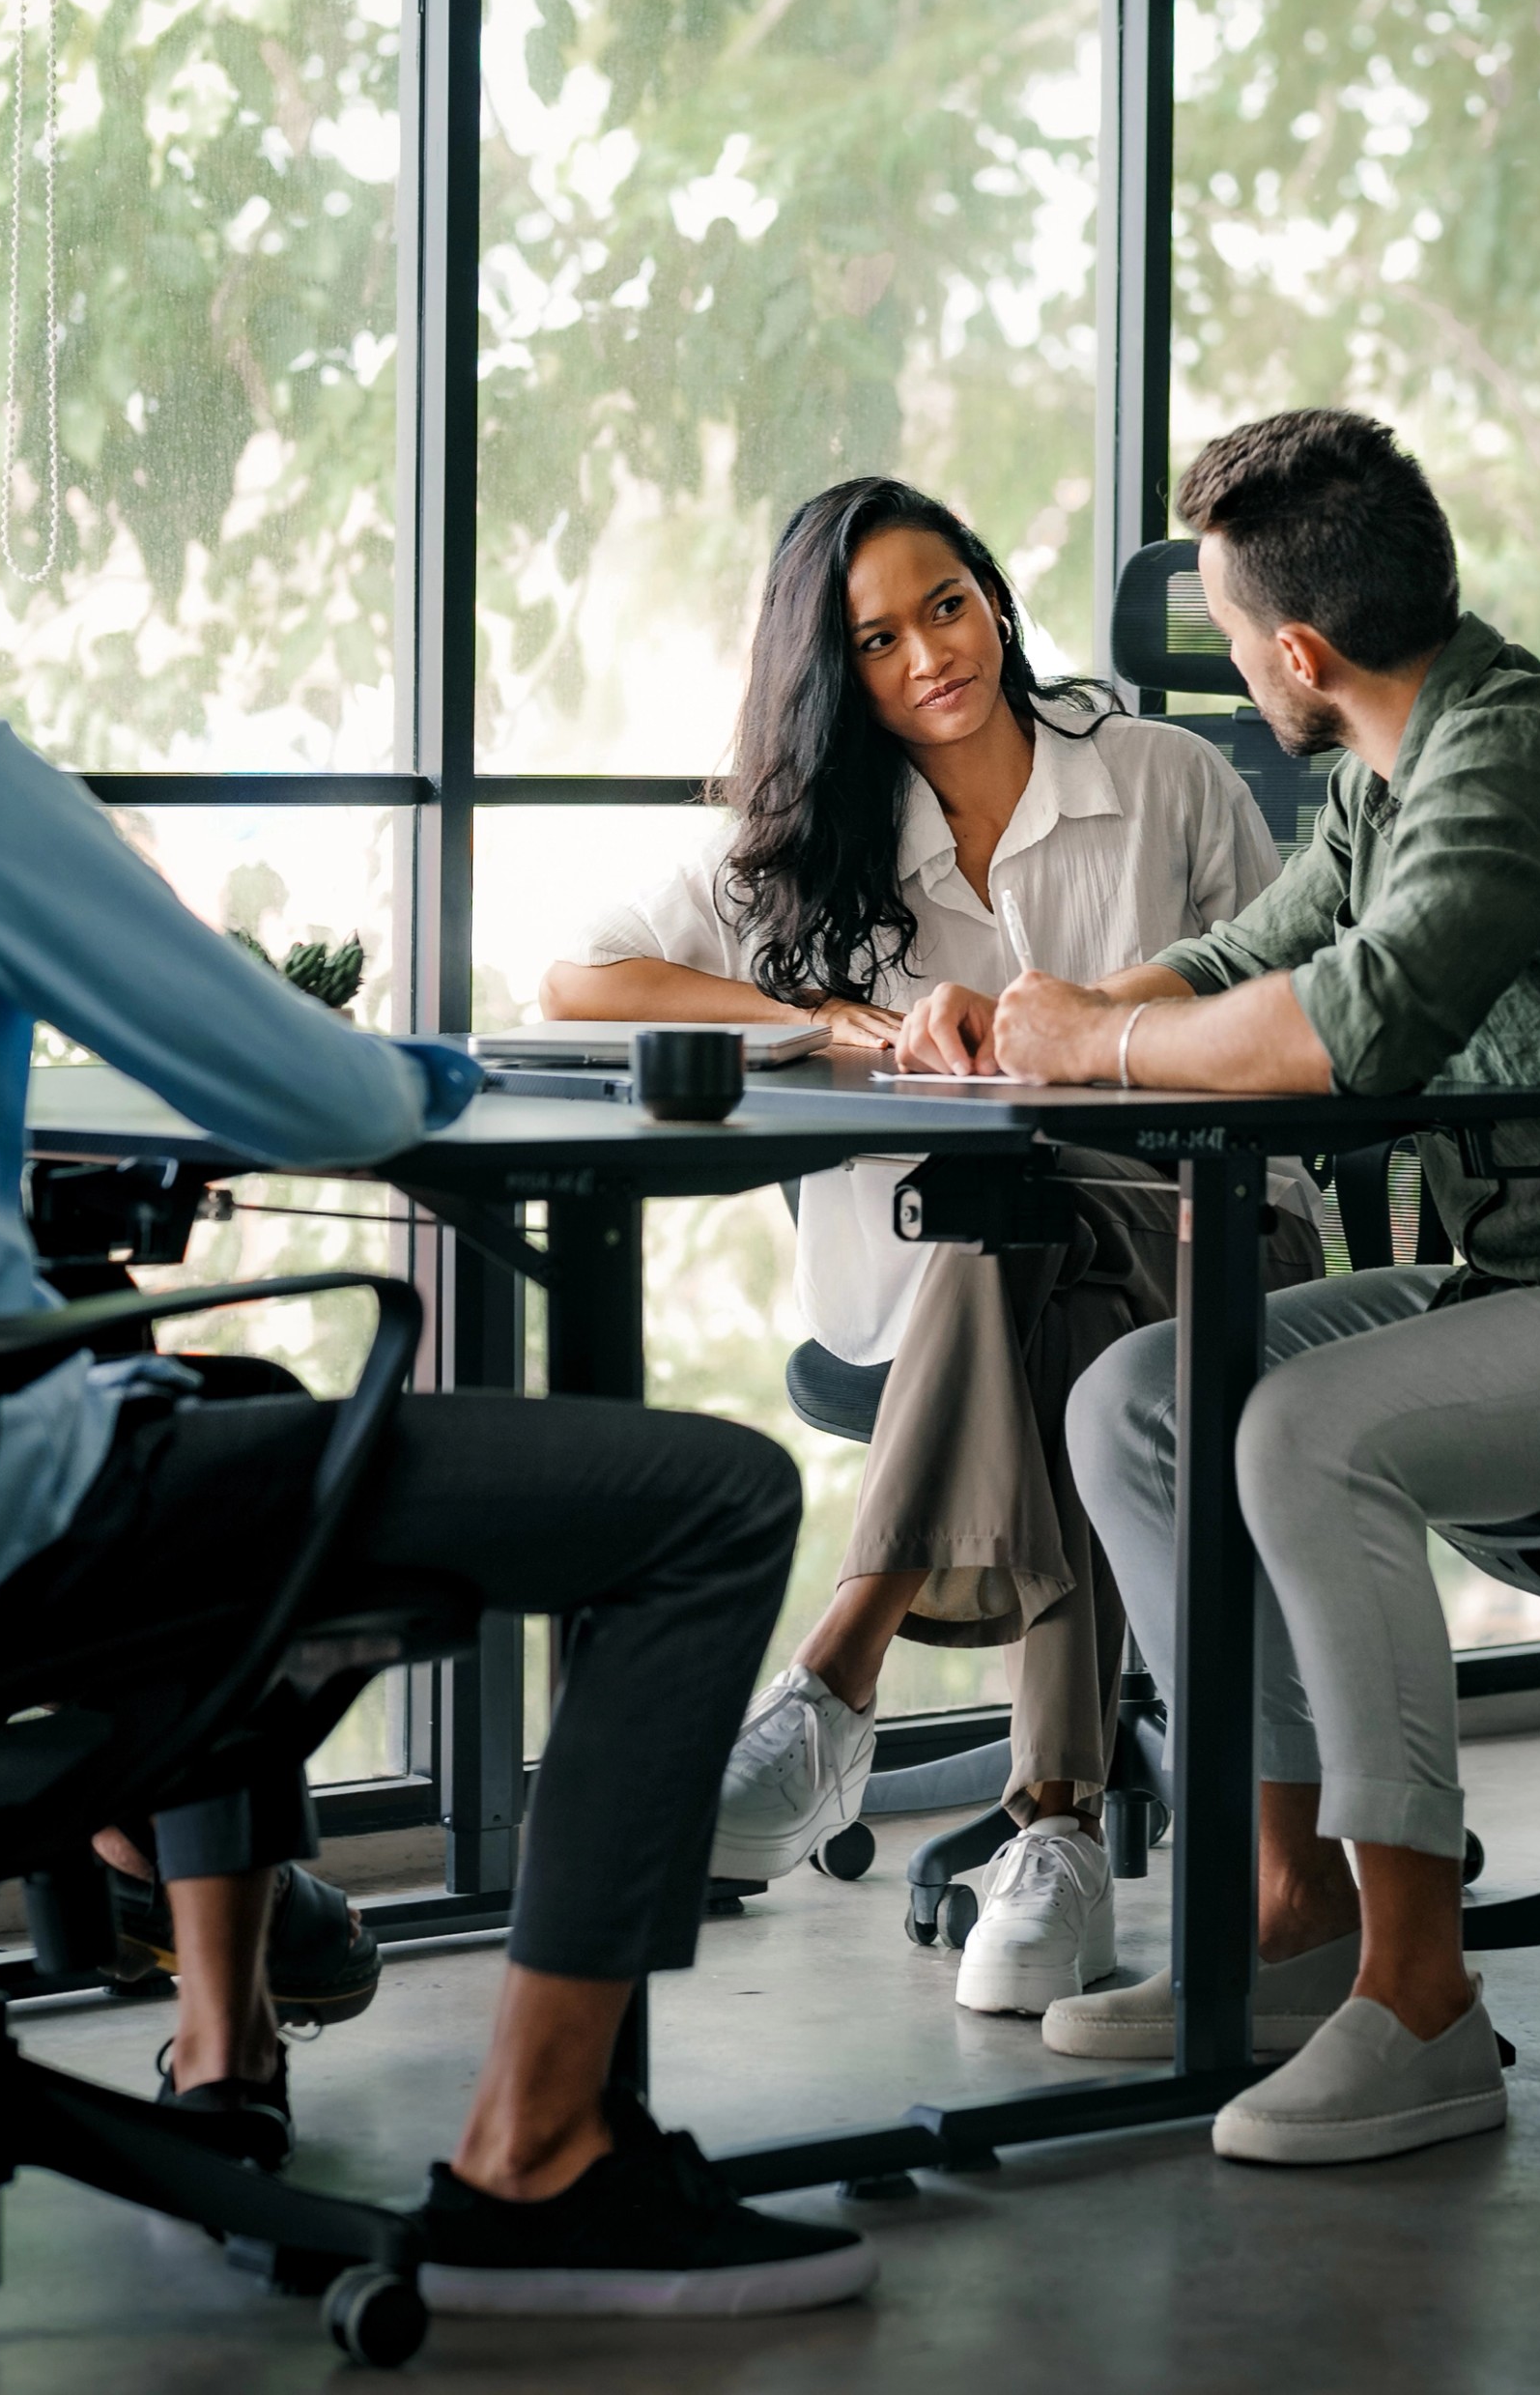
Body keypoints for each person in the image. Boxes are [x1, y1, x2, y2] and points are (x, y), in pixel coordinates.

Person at [0, 350, 874, 2317]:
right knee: (712, 1495)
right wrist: (416, 1061)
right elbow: (314, 1098)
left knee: (229, 1423)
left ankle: (248, 2009)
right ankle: (539, 2153)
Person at [964, 409, 1540, 2163]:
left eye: (1241, 643)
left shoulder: (1520, 757)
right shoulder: (1381, 773)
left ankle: (1425, 2003)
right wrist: (1060, 1015)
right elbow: (1261, 952)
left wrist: (1114, 1034)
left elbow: (1359, 1019)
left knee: (1308, 1432)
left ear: (1298, 652)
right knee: (1143, 1403)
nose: (1242, 671)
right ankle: (1300, 1913)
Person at [543, 476, 1320, 2018]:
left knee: (1033, 1233)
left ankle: (839, 1672)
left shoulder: (1163, 778)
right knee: (1037, 1274)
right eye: (878, 640)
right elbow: (578, 981)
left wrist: (1106, 1043)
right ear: (840, 675)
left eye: (945, 606)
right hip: (940, 1306)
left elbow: (1290, 1019)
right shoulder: (804, 852)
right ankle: (1057, 1829)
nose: (928, 658)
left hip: (1215, 1239)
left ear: (996, 598)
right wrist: (814, 1017)